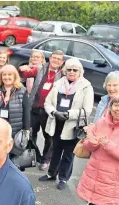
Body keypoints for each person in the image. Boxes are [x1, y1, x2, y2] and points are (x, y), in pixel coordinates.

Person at [74, 71, 119, 205]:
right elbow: (98, 120)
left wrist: (107, 142)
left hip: (111, 150)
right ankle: (90, 203)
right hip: (97, 146)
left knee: (105, 185)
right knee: (93, 178)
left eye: (115, 85)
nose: (111, 88)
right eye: (109, 85)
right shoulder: (104, 100)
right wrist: (92, 130)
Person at [39, 58, 94, 190]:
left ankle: (63, 178)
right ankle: (52, 173)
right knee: (56, 150)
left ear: (80, 71)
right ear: (65, 70)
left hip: (73, 126)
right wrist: (53, 112)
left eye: (75, 70)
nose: (71, 72)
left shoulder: (86, 86)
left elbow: (87, 110)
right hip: (57, 123)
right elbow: (47, 103)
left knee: (69, 154)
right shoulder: (58, 84)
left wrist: (69, 114)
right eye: (69, 69)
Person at [20, 50, 65, 171]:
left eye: (58, 59)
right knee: (31, 133)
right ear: (49, 58)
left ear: (62, 62)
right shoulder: (41, 68)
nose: (55, 60)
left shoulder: (63, 74)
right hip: (35, 107)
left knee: (48, 137)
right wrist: (23, 69)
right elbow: (26, 74)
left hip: (49, 111)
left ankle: (46, 160)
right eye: (54, 58)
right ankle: (33, 156)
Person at [0, 64, 31, 157]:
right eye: (4, 75)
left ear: (15, 76)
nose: (7, 77)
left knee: (12, 157)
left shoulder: (22, 91)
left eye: (9, 75)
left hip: (15, 131)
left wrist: (26, 130)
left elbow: (27, 112)